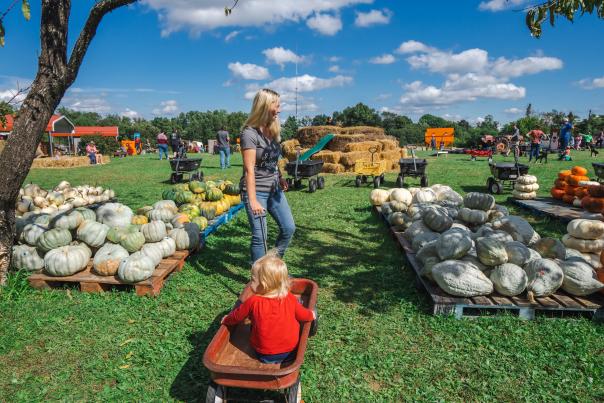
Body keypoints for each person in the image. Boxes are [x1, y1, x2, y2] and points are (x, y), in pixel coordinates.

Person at [221, 254, 315, 364]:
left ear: (264, 285)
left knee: (253, 326)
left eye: (253, 280)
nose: (251, 282)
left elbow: (236, 316)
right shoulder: (289, 297)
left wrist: (227, 319)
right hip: (291, 352)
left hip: (264, 355)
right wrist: (311, 315)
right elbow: (303, 315)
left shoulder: (253, 301)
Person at [240, 88, 295, 263]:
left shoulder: (272, 130)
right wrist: (253, 199)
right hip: (256, 191)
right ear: (264, 106)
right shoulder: (249, 133)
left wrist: (279, 176)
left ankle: (271, 266)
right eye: (276, 105)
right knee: (260, 237)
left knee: (288, 228)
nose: (279, 110)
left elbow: (273, 158)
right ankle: (258, 278)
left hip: (274, 189)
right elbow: (249, 170)